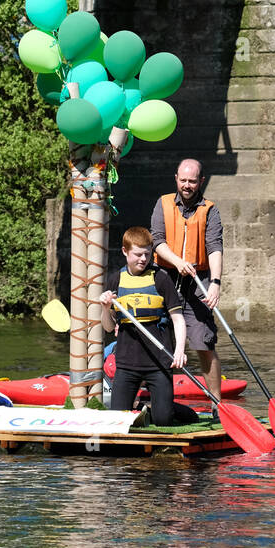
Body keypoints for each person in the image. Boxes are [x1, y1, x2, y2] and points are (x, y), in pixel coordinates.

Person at [100, 226, 193, 426]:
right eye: (138, 254)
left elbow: (177, 318)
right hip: (126, 363)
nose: (143, 259)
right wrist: (106, 308)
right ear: (125, 251)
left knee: (163, 420)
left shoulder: (161, 279)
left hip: (159, 362)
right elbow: (108, 328)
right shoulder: (116, 280)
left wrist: (179, 350)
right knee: (117, 420)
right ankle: (145, 406)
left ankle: (164, 408)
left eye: (147, 254)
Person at [151, 158, 224, 399]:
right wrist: (177, 261)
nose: (187, 185)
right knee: (158, 339)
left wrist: (215, 283)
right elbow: (157, 241)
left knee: (204, 343)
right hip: (165, 277)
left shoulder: (210, 209)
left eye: (192, 181)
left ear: (201, 181)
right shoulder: (162, 203)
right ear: (176, 179)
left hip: (197, 280)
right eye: (183, 180)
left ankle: (217, 404)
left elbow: (214, 247)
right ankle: (159, 399)